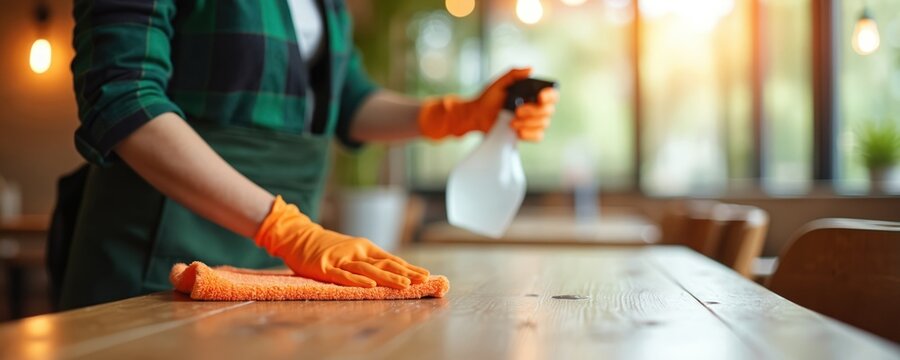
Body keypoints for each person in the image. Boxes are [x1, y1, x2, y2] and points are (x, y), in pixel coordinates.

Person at [59, 0, 558, 309]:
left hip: (276, 270)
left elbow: (350, 98)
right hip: (155, 259)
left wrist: (457, 115)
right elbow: (124, 98)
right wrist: (287, 230)